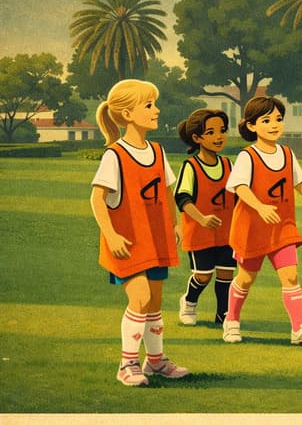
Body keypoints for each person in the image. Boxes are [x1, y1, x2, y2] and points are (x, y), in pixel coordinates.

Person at [89, 79, 189, 387]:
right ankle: (127, 364)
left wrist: (175, 224)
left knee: (155, 302)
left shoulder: (157, 151)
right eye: (149, 105)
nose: (156, 110)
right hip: (128, 242)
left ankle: (155, 362)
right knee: (140, 297)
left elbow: (167, 191)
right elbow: (97, 199)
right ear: (128, 114)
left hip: (155, 238)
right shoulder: (115, 155)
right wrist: (112, 235)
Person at [222, 95, 302, 345]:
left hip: (282, 227)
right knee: (245, 278)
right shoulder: (247, 156)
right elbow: (239, 186)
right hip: (252, 229)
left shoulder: (287, 153)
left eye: (278, 119)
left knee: (291, 276)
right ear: (251, 126)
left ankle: (298, 329)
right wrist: (260, 206)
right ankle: (231, 321)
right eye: (266, 120)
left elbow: (299, 182)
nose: (274, 124)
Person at [175, 109, 236, 326]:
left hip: (227, 234)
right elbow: (182, 198)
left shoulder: (229, 165)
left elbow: (239, 196)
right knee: (203, 276)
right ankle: (189, 302)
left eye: (222, 130)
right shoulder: (190, 166)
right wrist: (201, 218)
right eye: (211, 132)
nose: (218, 136)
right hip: (199, 233)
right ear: (197, 138)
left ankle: (224, 316)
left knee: (226, 275)